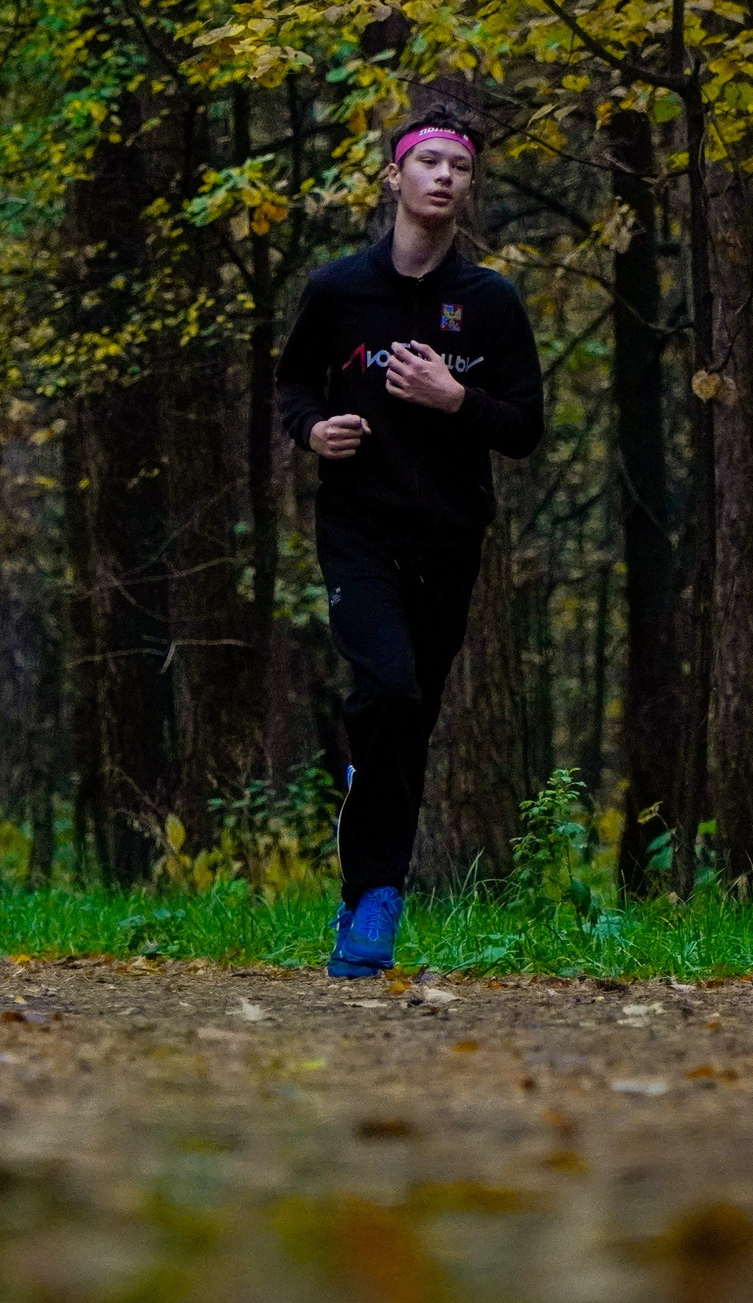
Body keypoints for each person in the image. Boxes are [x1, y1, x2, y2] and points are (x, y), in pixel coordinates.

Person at [273, 108, 545, 977]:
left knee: (407, 719)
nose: (443, 177)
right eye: (428, 161)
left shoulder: (491, 302)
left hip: (449, 537)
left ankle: (367, 830)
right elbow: (292, 383)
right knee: (387, 686)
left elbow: (525, 428)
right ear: (395, 177)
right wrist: (314, 429)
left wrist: (454, 398)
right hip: (358, 528)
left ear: (470, 187)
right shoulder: (338, 289)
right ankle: (376, 896)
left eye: (458, 167)